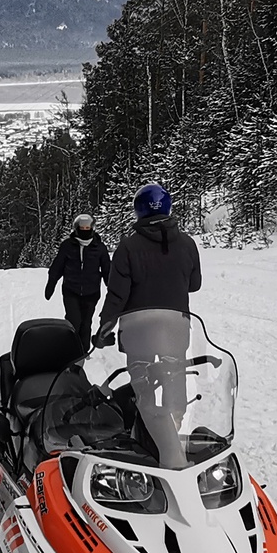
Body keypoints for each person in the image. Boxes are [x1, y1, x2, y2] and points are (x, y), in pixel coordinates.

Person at [96, 183, 204, 469]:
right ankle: (175, 431)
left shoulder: (128, 247)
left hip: (139, 330)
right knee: (174, 374)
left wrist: (104, 327)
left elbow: (117, 295)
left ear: (139, 210)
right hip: (175, 327)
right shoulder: (188, 244)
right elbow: (195, 284)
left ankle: (149, 437)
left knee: (142, 383)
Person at [43, 212, 109, 339]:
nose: (84, 230)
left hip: (92, 292)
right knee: (74, 321)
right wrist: (51, 283)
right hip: (70, 290)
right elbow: (57, 266)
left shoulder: (99, 248)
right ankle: (70, 349)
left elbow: (107, 269)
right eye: (82, 227)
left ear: (92, 228)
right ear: (76, 228)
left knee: (86, 323)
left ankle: (83, 352)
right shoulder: (67, 246)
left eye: (87, 227)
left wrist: (113, 289)